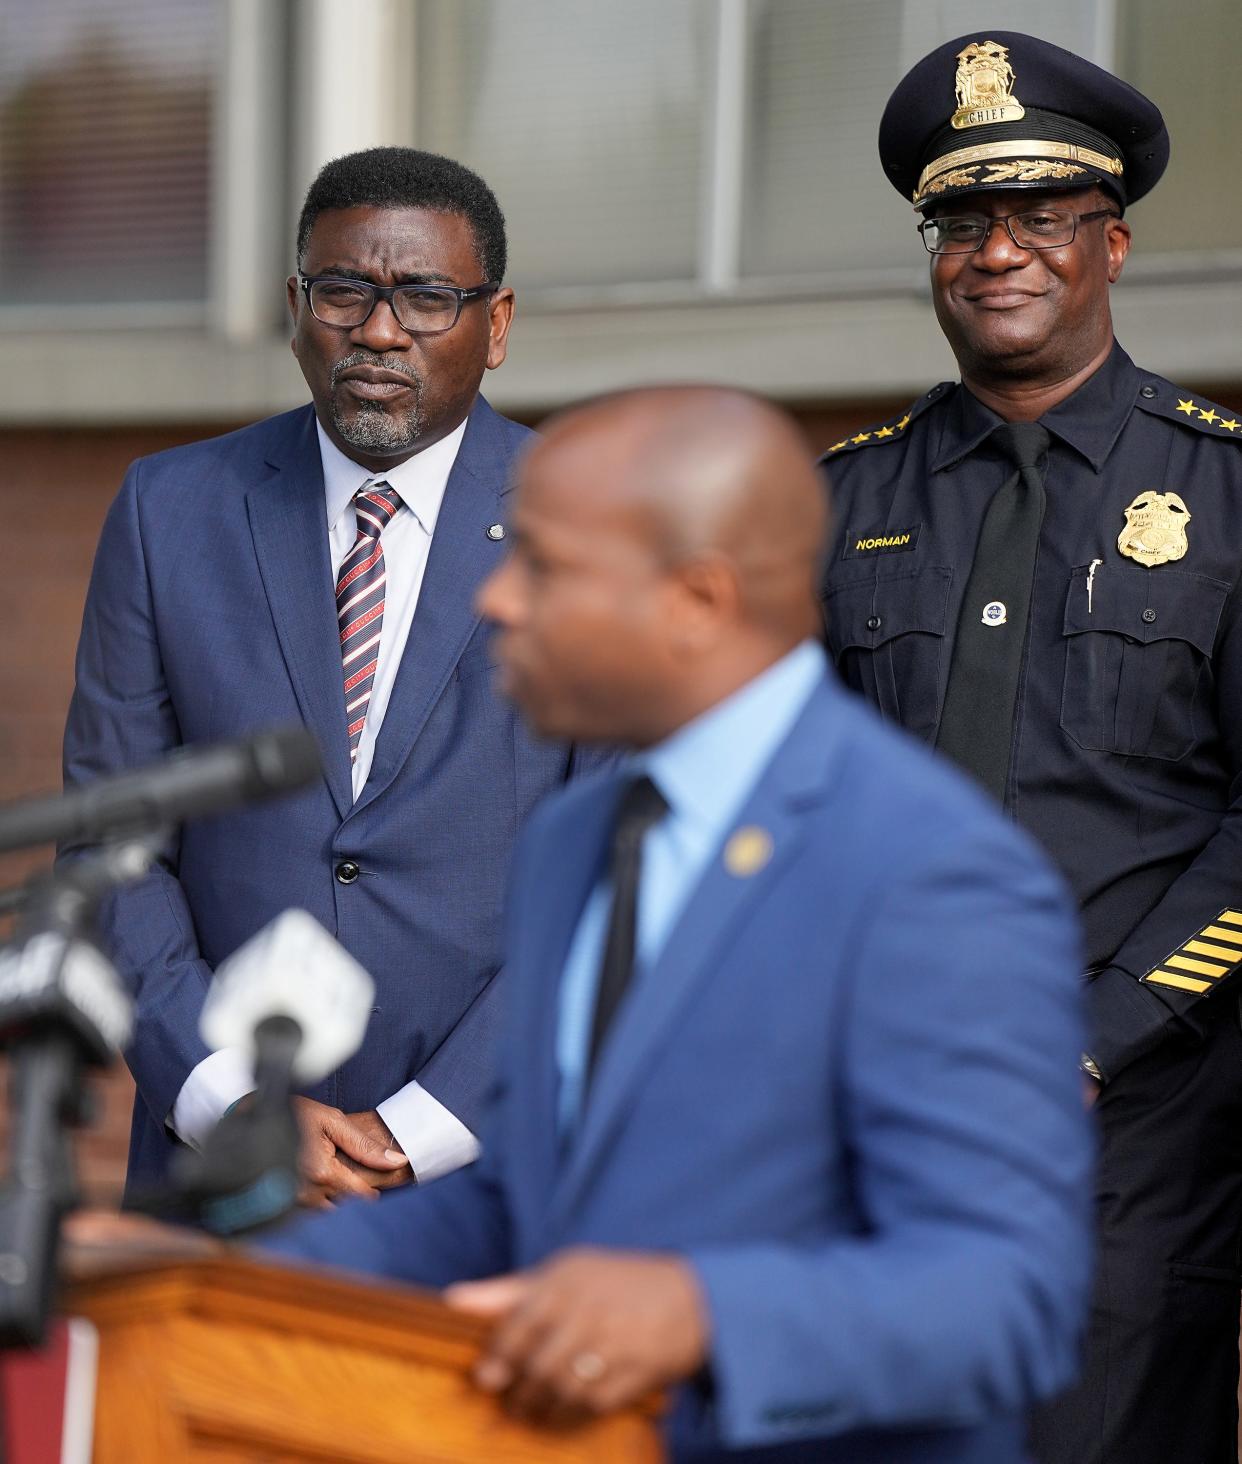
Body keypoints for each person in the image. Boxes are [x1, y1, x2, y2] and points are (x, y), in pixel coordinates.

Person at [262, 386, 1093, 1463]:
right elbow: (524, 1202)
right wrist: (206, 1280)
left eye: (546, 566)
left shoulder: (928, 870)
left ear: (698, 600)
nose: (498, 600)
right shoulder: (574, 840)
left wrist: (701, 1313)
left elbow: (1009, 1297)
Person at [820, 32, 1242, 1464]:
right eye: (960, 220)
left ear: (1109, 244)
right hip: (868, 1114)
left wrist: (1091, 1035)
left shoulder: (1223, 496)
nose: (995, 252)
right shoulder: (835, 503)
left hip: (1129, 1128)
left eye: (1039, 216)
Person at [63, 147, 602, 1203]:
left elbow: (617, 880)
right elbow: (111, 844)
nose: (380, 330)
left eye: (427, 297)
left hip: (490, 1179)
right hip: (220, 1177)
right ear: (296, 306)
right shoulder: (169, 510)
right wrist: (234, 1102)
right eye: (344, 289)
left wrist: (415, 1133)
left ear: (495, 325)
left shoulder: (592, 520)